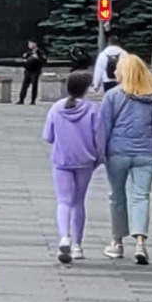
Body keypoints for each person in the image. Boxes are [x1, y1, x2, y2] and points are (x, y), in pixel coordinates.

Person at [100, 54, 152, 264]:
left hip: (117, 152)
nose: (114, 72)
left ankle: (117, 242)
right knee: (141, 196)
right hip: (146, 152)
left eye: (117, 69)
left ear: (125, 71)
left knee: (117, 197)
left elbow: (103, 127)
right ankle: (140, 243)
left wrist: (102, 152)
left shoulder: (112, 95)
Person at [42, 69, 107, 265]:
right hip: (84, 162)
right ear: (86, 89)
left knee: (63, 201)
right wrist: (99, 157)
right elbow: (100, 138)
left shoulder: (56, 108)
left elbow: (47, 136)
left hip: (62, 161)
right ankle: (77, 246)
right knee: (78, 201)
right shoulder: (93, 109)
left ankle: (64, 237)